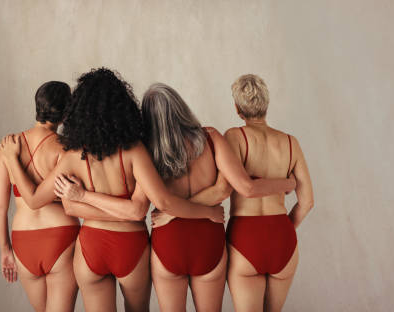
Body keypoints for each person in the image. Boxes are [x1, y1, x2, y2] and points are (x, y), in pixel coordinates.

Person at [56, 83, 296, 312]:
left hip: (168, 241)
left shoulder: (147, 150)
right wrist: (209, 210)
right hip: (209, 238)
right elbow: (225, 189)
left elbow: (153, 203)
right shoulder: (211, 137)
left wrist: (171, 212)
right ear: (181, 107)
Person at [0, 68, 224, 312]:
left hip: (91, 247)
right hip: (131, 246)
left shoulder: (72, 157)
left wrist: (83, 197)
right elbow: (146, 207)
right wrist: (205, 211)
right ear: (123, 108)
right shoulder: (136, 151)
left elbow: (63, 204)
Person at [200, 74, 314, 311]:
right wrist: (283, 230)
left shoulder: (235, 137)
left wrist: (179, 204)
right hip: (283, 237)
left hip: (246, 238)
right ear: (266, 104)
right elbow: (307, 202)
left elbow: (221, 190)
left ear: (238, 108)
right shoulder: (291, 142)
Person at [0, 81, 80, 312]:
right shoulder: (65, 149)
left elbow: (0, 206)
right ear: (64, 115)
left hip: (23, 241)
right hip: (60, 238)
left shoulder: (8, 146)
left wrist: (5, 250)